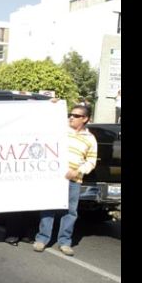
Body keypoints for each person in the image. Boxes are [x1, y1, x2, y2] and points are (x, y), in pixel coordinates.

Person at [32, 105, 97, 256]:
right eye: (70, 114)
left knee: (70, 212)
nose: (71, 117)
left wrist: (77, 171)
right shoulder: (60, 131)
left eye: (76, 115)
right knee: (49, 208)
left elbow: (91, 161)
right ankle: (42, 239)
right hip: (54, 177)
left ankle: (65, 242)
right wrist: (52, 104)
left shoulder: (90, 139)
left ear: (85, 119)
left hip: (74, 180)